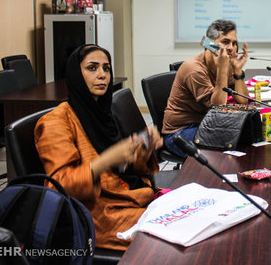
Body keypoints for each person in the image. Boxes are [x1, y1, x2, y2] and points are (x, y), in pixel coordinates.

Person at [35, 44, 162, 251]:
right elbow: (58, 186)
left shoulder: (105, 114)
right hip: (101, 214)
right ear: (76, 74)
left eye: (106, 68)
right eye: (92, 68)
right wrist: (107, 159)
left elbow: (124, 170)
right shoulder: (56, 121)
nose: (102, 75)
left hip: (132, 198)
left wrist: (143, 152)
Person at [162, 19, 249, 157]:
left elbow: (242, 100)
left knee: (245, 134)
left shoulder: (225, 64)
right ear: (210, 44)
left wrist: (238, 72)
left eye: (234, 43)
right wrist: (222, 69)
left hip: (205, 124)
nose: (232, 48)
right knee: (231, 144)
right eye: (226, 42)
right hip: (180, 133)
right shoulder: (194, 69)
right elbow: (218, 108)